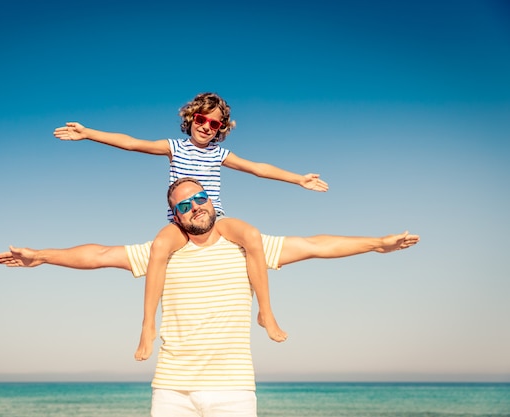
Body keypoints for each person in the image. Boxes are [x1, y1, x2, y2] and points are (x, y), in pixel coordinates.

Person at [0, 177, 419, 417]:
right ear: (175, 216)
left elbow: (315, 244)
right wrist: (42, 256)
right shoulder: (162, 253)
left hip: (232, 390)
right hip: (172, 391)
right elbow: (99, 255)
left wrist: (378, 243)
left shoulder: (247, 247)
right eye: (184, 205)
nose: (195, 207)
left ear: (212, 202)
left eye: (200, 199)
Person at [53, 92, 329, 361]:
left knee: (251, 236)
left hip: (215, 219)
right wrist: (89, 133)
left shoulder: (219, 153)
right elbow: (132, 143)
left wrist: (298, 179)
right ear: (191, 118)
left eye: (215, 124)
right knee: (159, 247)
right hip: (181, 222)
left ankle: (265, 313)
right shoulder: (174, 147)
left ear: (221, 128)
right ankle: (148, 325)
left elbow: (257, 168)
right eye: (201, 120)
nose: (206, 127)